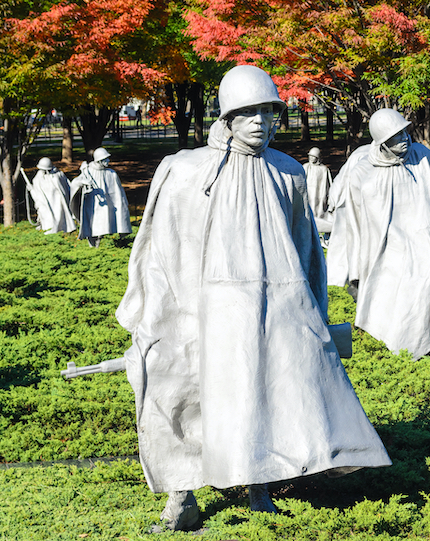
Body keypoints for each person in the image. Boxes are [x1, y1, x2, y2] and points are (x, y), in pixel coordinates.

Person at [115, 65, 391, 531]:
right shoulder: (184, 170)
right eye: (249, 113)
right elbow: (157, 247)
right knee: (185, 390)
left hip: (272, 308)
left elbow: (306, 249)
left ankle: (259, 484)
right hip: (196, 307)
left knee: (265, 389)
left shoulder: (287, 172)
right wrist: (151, 310)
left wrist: (314, 314)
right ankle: (181, 496)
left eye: (269, 111)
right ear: (226, 118)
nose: (261, 122)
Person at [328, 108, 430, 359]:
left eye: (405, 133)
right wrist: (356, 269)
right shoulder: (363, 174)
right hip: (387, 253)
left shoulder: (422, 158)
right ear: (382, 142)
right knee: (395, 298)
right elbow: (355, 225)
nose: (405, 139)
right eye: (396, 136)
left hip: (428, 245)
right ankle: (404, 352)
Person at [69, 148, 132, 247]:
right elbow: (74, 183)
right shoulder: (87, 171)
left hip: (107, 204)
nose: (108, 161)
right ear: (99, 160)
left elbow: (118, 193)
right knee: (93, 226)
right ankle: (93, 245)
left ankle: (100, 244)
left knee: (104, 225)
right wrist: (83, 183)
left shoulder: (111, 173)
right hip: (93, 204)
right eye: (106, 159)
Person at [28, 157, 76, 234]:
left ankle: (62, 228)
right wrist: (32, 190)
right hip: (46, 202)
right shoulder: (38, 178)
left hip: (58, 200)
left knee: (60, 215)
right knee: (49, 217)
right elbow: (37, 195)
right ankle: (50, 230)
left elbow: (66, 187)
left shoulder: (58, 175)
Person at [303, 147, 333, 239]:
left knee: (319, 211)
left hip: (320, 194)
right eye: (310, 156)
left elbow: (329, 184)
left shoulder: (324, 169)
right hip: (309, 193)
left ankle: (320, 233)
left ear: (318, 157)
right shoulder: (306, 167)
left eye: (314, 157)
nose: (312, 158)